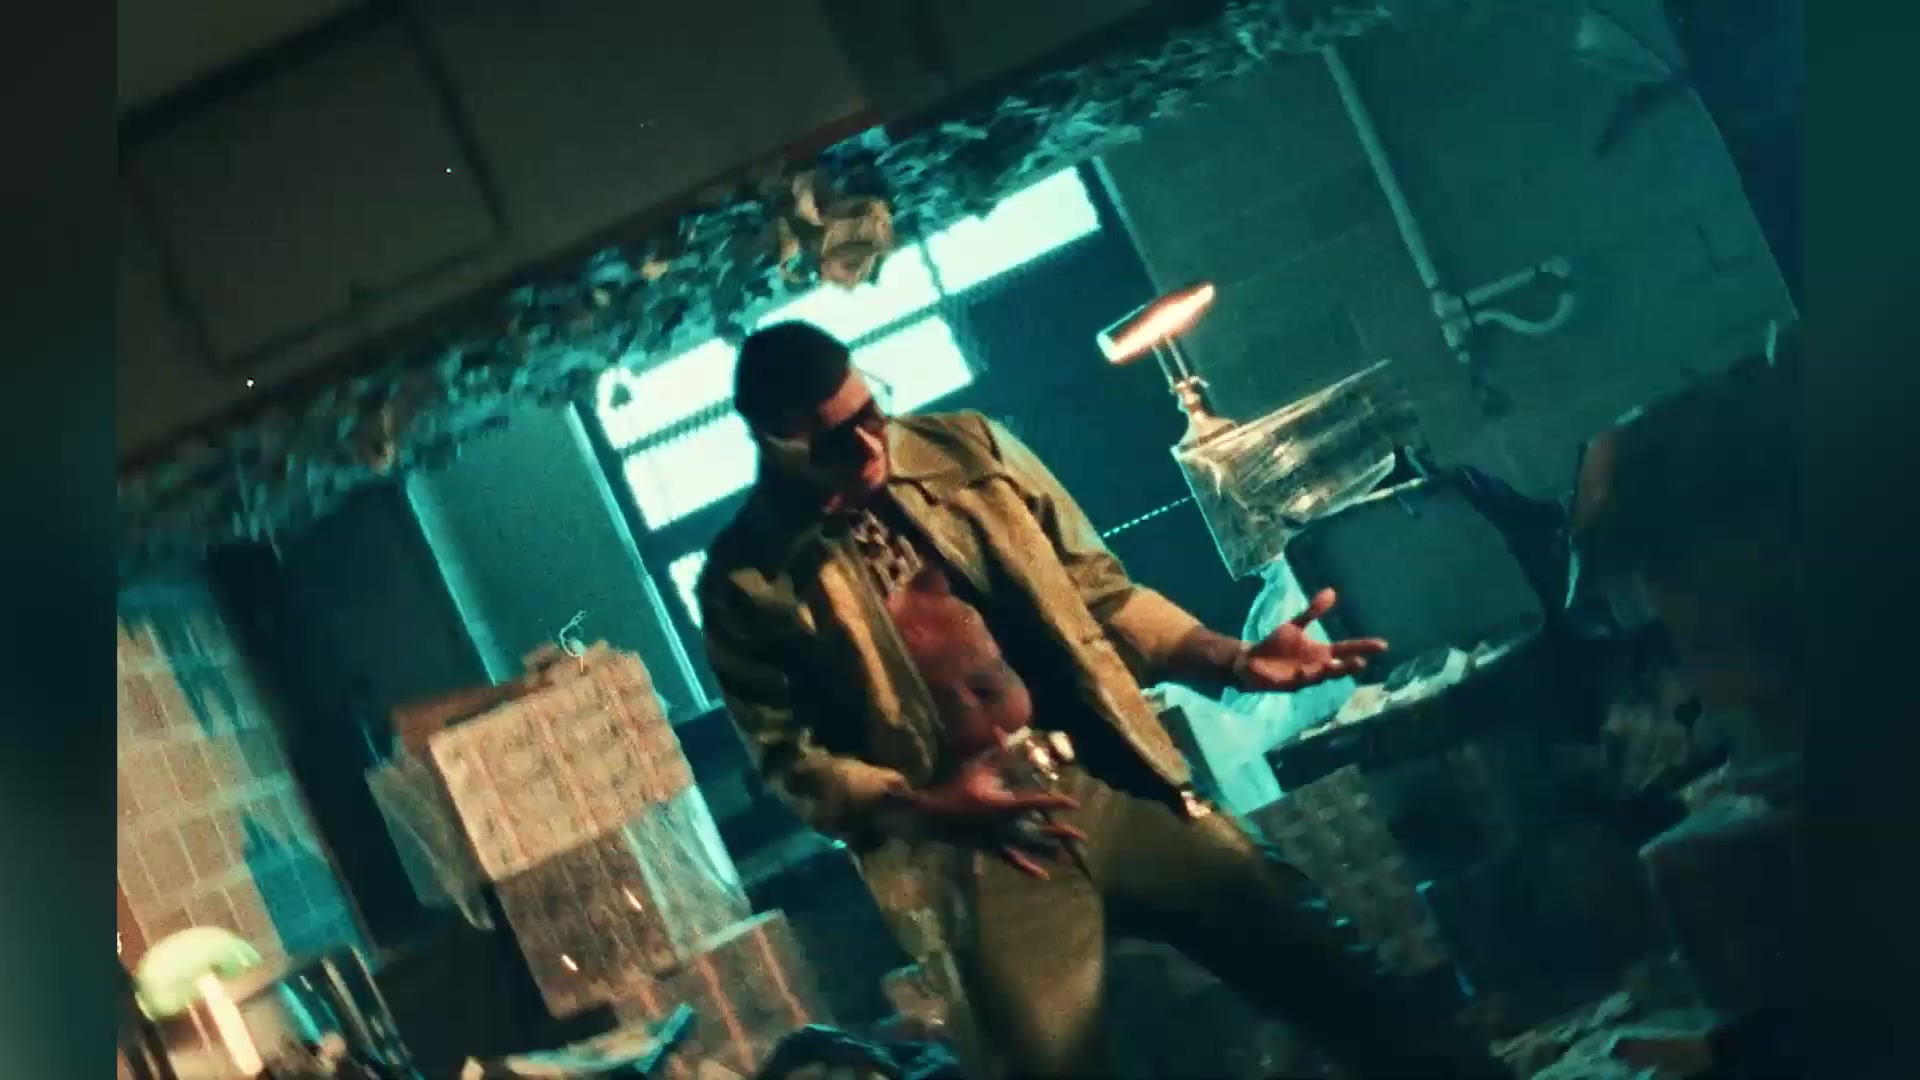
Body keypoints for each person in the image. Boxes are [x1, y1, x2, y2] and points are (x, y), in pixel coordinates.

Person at [697, 321, 1504, 1078]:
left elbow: (1100, 592)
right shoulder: (747, 579)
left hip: (1110, 778)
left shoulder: (966, 449)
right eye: (836, 442)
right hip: (984, 847)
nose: (871, 447)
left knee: (1331, 971)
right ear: (776, 445)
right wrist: (929, 806)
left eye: (872, 415)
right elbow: (792, 762)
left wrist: (1233, 659)